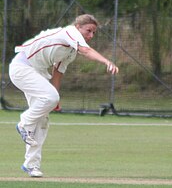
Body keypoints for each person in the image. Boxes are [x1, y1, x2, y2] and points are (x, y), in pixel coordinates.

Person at [9, 14, 119, 177]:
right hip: (22, 67)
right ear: (78, 27)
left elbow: (57, 73)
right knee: (49, 99)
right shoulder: (69, 32)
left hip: (37, 72)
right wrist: (106, 62)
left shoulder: (70, 52)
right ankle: (24, 123)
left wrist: (55, 98)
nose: (91, 36)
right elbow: (86, 50)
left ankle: (31, 165)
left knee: (43, 119)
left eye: (93, 33)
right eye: (88, 31)